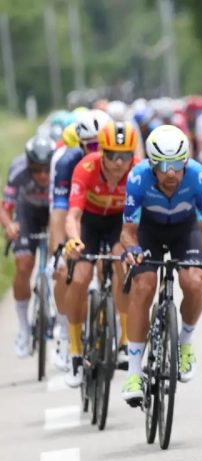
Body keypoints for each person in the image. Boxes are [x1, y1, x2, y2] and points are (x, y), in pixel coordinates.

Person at [120, 125, 202, 406]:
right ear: (151, 164)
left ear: (186, 161)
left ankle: (185, 342)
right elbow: (128, 232)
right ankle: (134, 372)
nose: (170, 172)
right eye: (163, 165)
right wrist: (132, 250)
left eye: (177, 164)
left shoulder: (199, 176)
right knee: (144, 286)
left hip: (184, 230)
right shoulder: (138, 177)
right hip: (148, 231)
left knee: (193, 282)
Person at [62, 121, 139, 387]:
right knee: (81, 277)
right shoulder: (85, 169)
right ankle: (73, 350)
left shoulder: (137, 172)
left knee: (124, 264)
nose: (120, 162)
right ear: (101, 152)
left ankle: (125, 340)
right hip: (90, 224)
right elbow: (73, 215)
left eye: (126, 155)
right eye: (113, 155)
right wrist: (74, 240)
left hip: (119, 223)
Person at [48, 109, 110, 371]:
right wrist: (58, 252)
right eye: (92, 146)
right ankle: (65, 333)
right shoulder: (66, 161)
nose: (98, 151)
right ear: (81, 144)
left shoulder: (121, 159)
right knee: (67, 272)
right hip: (80, 215)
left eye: (102, 145)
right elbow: (59, 213)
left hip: (111, 215)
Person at [0, 136, 55, 357]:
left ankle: (57, 315)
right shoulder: (18, 170)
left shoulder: (61, 170)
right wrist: (10, 225)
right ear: (28, 164)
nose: (42, 174)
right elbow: (5, 207)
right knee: (23, 266)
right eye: (37, 169)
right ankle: (23, 328)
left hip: (54, 212)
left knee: (59, 262)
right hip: (27, 213)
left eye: (46, 169)